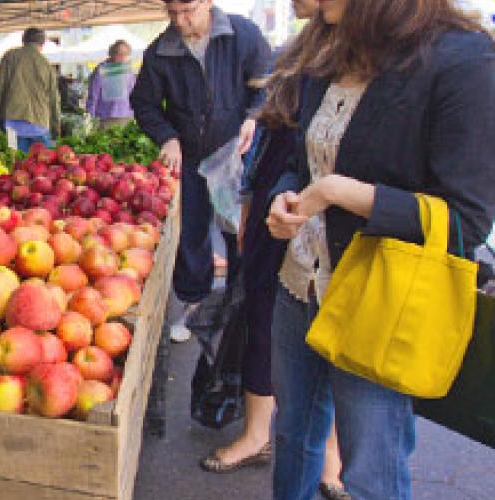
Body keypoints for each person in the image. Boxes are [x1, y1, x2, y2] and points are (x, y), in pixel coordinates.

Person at [262, 0, 495, 498]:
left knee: (371, 470)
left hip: (379, 301)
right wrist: (285, 197)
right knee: (292, 438)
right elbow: (304, 166)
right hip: (300, 280)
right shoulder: (335, 52)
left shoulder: (461, 60)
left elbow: (466, 221)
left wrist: (341, 193)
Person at [200, 3, 347, 499]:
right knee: (264, 318)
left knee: (342, 341)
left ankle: (332, 458)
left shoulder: (380, 53)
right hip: (277, 208)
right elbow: (272, 132)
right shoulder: (299, 49)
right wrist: (248, 201)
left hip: (346, 222)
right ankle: (257, 434)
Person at [130, 0, 271, 342]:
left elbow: (268, 86)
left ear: (207, 2)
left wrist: (254, 118)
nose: (180, 21)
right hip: (191, 159)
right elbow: (144, 104)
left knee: (238, 232)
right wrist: (167, 137)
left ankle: (240, 308)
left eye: (188, 11)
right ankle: (193, 305)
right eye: (173, 12)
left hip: (238, 155)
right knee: (192, 233)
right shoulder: (160, 52)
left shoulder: (242, 35)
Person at [0, 27, 61, 154]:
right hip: (40, 125)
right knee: (43, 170)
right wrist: (56, 129)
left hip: (13, 124)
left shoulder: (10, 57)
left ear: (23, 40)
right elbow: (54, 100)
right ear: (43, 43)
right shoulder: (46, 65)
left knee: (15, 167)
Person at [86, 40, 136, 128]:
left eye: (125, 54)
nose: (122, 57)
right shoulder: (102, 69)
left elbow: (133, 91)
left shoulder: (128, 70)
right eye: (119, 54)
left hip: (126, 115)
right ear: (112, 53)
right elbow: (93, 93)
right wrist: (90, 115)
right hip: (106, 116)